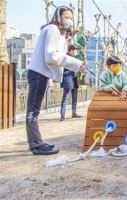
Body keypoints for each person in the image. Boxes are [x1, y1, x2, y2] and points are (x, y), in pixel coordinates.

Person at [26, 6, 85, 155]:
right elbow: (52, 56)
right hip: (38, 73)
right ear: (58, 16)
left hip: (40, 73)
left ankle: (36, 142)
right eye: (66, 16)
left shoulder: (57, 32)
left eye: (71, 18)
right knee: (33, 111)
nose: (68, 20)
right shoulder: (52, 29)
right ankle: (37, 145)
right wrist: (76, 64)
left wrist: (76, 65)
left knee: (34, 110)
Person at [59, 44, 82, 121]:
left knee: (75, 97)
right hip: (67, 79)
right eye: (75, 50)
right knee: (65, 98)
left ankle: (74, 112)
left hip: (75, 79)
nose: (76, 52)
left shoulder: (75, 58)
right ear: (71, 50)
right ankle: (62, 115)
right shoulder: (65, 58)